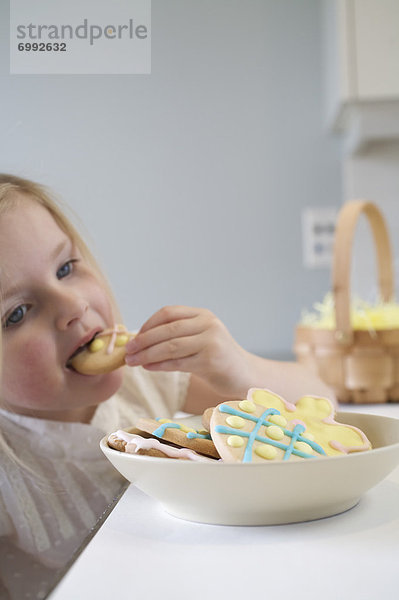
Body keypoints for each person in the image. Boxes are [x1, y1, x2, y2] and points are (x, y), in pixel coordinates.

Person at [0, 174, 333, 599]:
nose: (74, 306)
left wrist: (238, 366)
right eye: (17, 313)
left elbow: (323, 406)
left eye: (66, 268)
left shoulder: (147, 371)